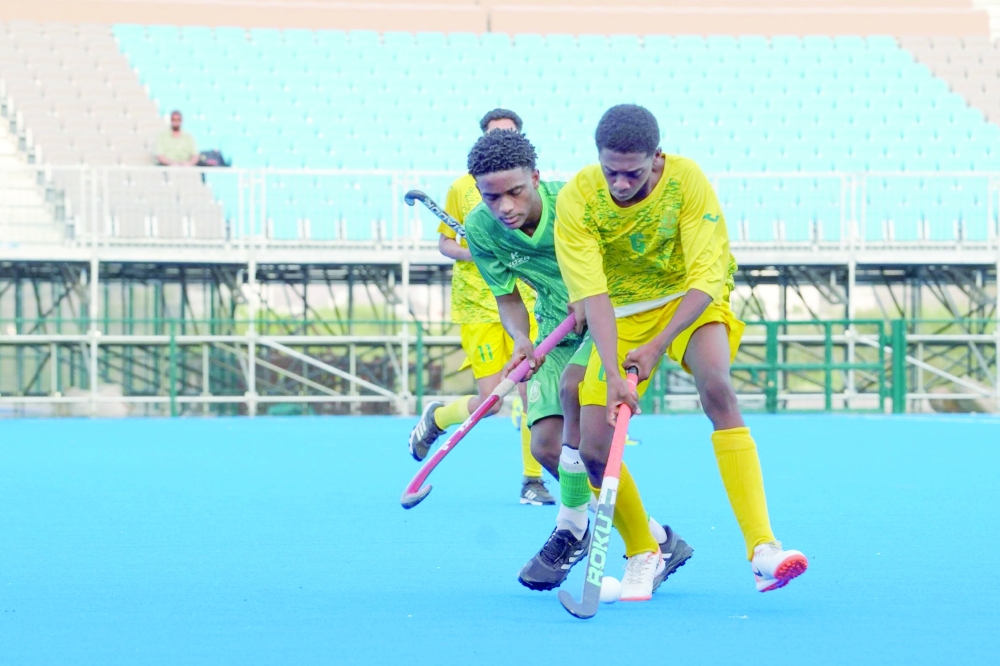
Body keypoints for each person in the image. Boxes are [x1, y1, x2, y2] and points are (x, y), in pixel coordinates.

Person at [554, 104, 809, 597]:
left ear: (657, 158)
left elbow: (706, 278)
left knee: (717, 387)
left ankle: (762, 550)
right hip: (621, 312)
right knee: (592, 448)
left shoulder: (687, 180)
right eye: (611, 172)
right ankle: (644, 553)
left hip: (686, 304)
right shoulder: (578, 198)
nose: (621, 184)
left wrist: (657, 345)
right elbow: (595, 295)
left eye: (633, 172)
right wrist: (611, 371)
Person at [462, 129, 692, 598]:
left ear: (536, 178)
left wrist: (590, 296)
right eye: (491, 197)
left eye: (515, 192)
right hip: (555, 327)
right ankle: (660, 538)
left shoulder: (574, 202)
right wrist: (522, 338)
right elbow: (506, 297)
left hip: (612, 320)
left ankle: (575, 528)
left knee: (586, 431)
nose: (504, 206)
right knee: (546, 446)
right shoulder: (482, 230)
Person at [408, 109, 553, 506]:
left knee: (531, 393)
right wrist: (482, 254)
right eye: (494, 134)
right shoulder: (464, 189)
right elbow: (446, 244)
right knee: (491, 402)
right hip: (478, 306)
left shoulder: (527, 188)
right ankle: (438, 417)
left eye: (509, 134)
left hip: (529, 302)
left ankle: (531, 479)